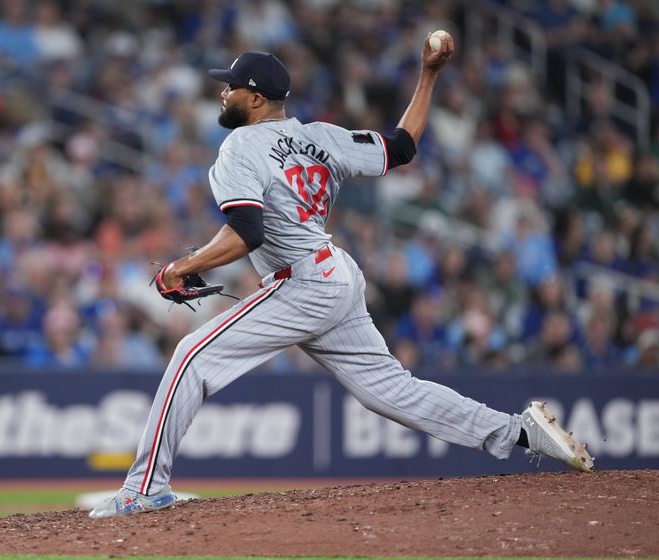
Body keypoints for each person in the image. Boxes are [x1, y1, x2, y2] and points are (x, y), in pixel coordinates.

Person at [89, 34, 593, 518]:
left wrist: (181, 265)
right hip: (335, 273)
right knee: (393, 390)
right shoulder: (320, 136)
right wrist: (428, 75)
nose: (224, 91)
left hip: (304, 280)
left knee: (191, 356)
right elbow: (402, 146)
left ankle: (143, 490)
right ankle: (519, 432)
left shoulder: (240, 147)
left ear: (257, 98)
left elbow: (247, 231)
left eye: (232, 85)